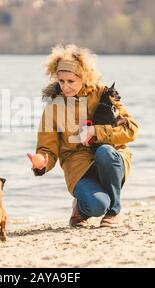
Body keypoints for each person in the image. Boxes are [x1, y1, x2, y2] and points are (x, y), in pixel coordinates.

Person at [27, 44, 139, 228]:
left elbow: (131, 129)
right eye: (61, 81)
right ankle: (80, 208)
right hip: (78, 167)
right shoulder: (53, 108)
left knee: (104, 152)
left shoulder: (104, 94)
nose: (65, 86)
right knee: (97, 205)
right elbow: (47, 149)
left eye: (71, 81)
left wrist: (96, 131)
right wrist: (42, 162)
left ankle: (115, 211)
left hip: (111, 159)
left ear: (84, 77)